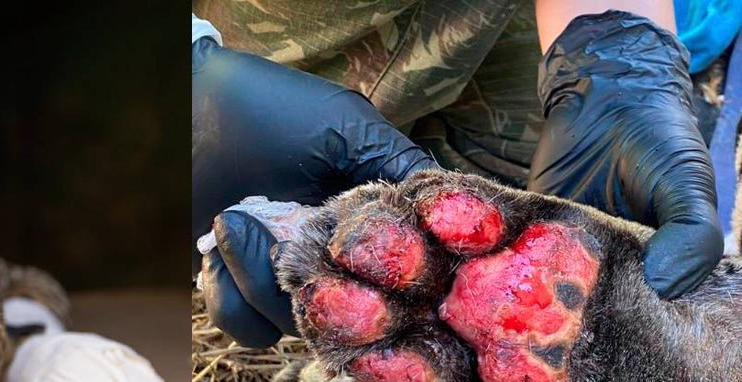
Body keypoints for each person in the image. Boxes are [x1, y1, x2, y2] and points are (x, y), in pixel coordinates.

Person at [192, 1, 725, 348]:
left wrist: (617, 60)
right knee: (378, 277)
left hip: (477, 17)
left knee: (537, 231)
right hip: (271, 44)